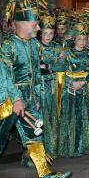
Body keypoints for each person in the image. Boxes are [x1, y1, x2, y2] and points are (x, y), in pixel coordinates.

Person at [0, 0, 70, 178]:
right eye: (35, 24)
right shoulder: (8, 47)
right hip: (9, 101)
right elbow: (4, 75)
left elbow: (36, 74)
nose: (39, 28)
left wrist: (35, 97)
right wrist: (17, 100)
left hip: (29, 99)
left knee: (34, 135)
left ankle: (45, 175)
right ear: (21, 23)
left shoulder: (32, 44)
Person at [57, 21, 89, 158]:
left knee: (82, 118)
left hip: (83, 90)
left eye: (84, 39)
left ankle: (80, 146)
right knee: (68, 117)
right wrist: (71, 83)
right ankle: (67, 147)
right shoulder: (66, 53)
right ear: (74, 39)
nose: (82, 41)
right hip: (70, 90)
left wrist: (83, 82)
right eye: (79, 39)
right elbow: (61, 71)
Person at [37, 13, 63, 158]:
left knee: (53, 116)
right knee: (40, 118)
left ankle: (52, 147)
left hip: (53, 87)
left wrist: (46, 66)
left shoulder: (57, 47)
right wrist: (49, 66)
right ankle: (37, 150)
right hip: (40, 88)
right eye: (45, 33)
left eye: (51, 33)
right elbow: (34, 67)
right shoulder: (35, 46)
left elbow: (61, 65)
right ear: (40, 33)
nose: (48, 36)